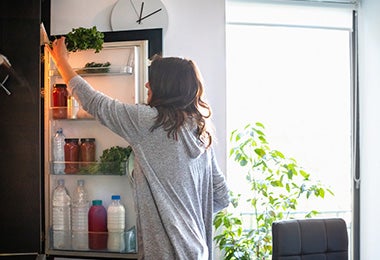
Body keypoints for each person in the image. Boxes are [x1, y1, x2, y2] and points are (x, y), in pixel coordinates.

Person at [47, 37, 230, 260]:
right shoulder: (200, 131)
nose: (146, 85)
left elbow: (96, 103)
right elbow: (221, 195)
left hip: (166, 253)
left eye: (151, 81)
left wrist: (62, 62)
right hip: (196, 250)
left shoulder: (150, 121)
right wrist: (184, 218)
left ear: (165, 86)